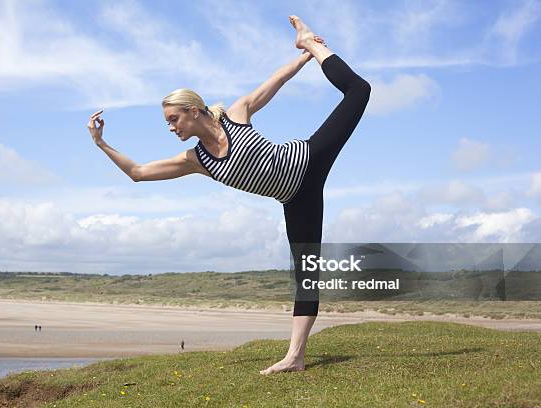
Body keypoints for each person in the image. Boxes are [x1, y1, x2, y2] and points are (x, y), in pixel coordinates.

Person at [87, 15, 370, 374]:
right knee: (307, 274)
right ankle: (295, 357)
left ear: (193, 111)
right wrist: (101, 144)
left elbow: (277, 80)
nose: (172, 128)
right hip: (297, 199)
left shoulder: (236, 115)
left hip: (309, 159)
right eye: (168, 123)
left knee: (360, 91)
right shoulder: (196, 160)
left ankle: (314, 44)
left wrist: (306, 53)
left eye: (174, 119)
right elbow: (138, 174)